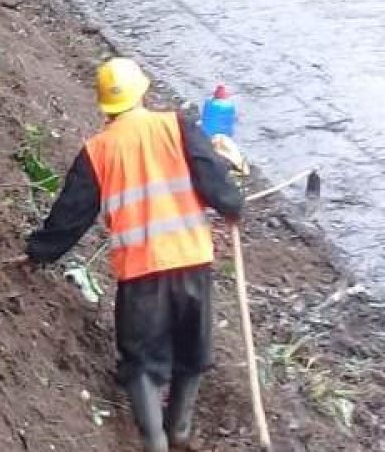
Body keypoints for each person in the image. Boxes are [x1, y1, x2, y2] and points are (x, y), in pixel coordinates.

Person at [20, 58, 244, 452]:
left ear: (105, 105)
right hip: (192, 263)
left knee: (142, 361)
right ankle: (179, 431)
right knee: (193, 352)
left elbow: (71, 215)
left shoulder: (98, 150)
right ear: (143, 91)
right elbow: (215, 181)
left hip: (141, 276)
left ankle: (154, 440)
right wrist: (231, 206)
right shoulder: (177, 126)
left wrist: (39, 253)